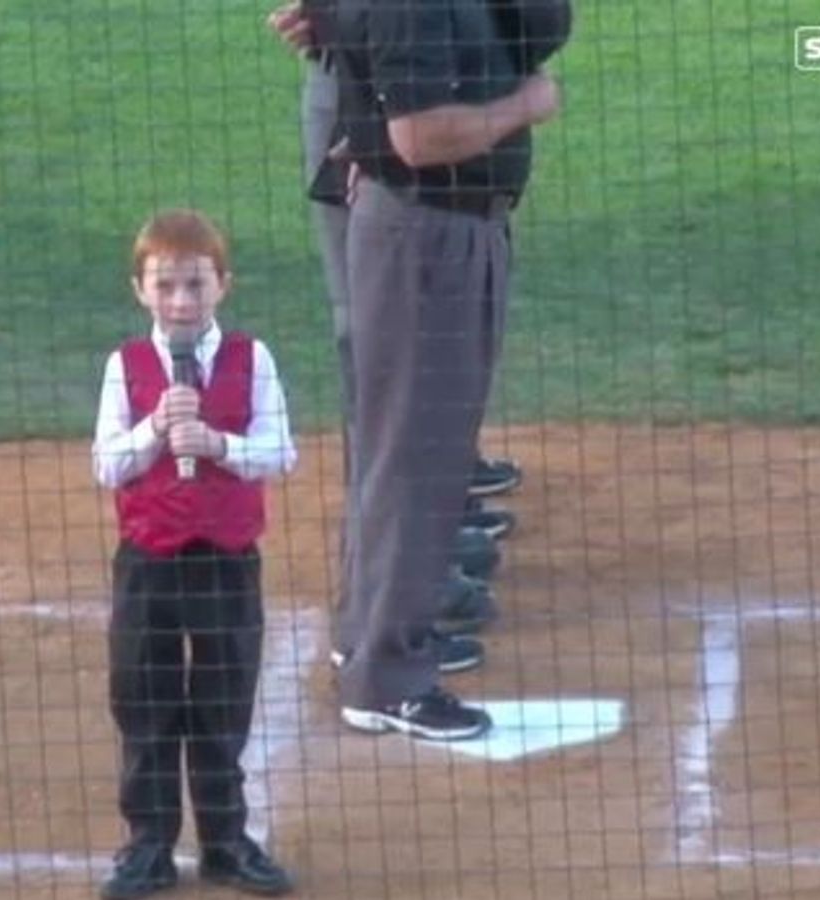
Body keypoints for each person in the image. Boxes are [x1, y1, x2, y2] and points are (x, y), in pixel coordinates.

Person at [313, 0, 563, 741]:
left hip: (437, 231)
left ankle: (371, 635)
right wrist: (525, 105)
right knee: (416, 461)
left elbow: (545, 23)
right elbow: (420, 138)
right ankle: (387, 678)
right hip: (428, 235)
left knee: (409, 453)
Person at [267, 2, 520, 654]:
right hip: (375, 94)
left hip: (439, 70)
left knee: (424, 363)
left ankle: (431, 530)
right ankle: (395, 593)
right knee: (383, 361)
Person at [91, 209, 297, 898]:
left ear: (222, 286)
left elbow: (281, 450)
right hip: (148, 561)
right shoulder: (125, 367)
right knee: (144, 703)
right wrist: (155, 429)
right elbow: (106, 465)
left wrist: (218, 446)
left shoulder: (253, 358)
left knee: (222, 700)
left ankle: (224, 842)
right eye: (167, 285)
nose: (181, 301)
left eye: (195, 285)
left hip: (226, 561)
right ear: (140, 289)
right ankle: (148, 845)